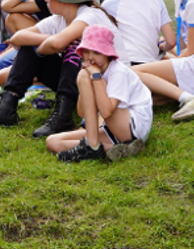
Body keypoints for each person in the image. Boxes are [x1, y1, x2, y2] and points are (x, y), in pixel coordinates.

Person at [0, 0, 110, 137]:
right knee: (31, 44)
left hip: (102, 84)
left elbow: (58, 43)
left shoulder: (89, 15)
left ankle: (63, 116)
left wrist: (54, 43)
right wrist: (48, 41)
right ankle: (7, 106)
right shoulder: (58, 19)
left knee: (72, 47)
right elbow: (17, 38)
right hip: (80, 82)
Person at [45, 24, 149, 163]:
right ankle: (122, 149)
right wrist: (84, 80)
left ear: (107, 54)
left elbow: (106, 112)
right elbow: (82, 112)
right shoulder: (90, 73)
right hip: (112, 129)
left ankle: (92, 145)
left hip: (133, 128)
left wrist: (95, 77)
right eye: (86, 52)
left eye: (97, 52)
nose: (90, 58)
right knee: (53, 141)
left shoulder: (118, 72)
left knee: (87, 78)